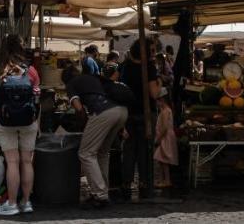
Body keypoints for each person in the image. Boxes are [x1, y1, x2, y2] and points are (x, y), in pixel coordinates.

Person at [0, 34, 40, 216]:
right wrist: (37, 123)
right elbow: (37, 98)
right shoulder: (31, 71)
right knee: (26, 161)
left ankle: (12, 203)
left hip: (5, 121)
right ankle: (26, 202)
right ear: (21, 49)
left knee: (12, 162)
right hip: (28, 121)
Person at [64, 65, 128, 209]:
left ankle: (100, 194)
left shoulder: (71, 84)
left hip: (102, 112)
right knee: (102, 153)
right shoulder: (92, 77)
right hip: (121, 111)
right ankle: (103, 190)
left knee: (85, 153)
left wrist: (85, 124)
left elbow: (79, 108)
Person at [118, 40, 161, 199]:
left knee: (129, 150)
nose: (153, 53)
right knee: (144, 150)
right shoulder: (148, 68)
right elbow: (154, 93)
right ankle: (144, 183)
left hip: (128, 113)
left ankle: (126, 184)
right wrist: (159, 82)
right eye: (151, 50)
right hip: (145, 113)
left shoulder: (125, 66)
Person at [153, 88, 177, 190]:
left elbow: (164, 127)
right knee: (161, 159)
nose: (157, 104)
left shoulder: (165, 111)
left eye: (158, 101)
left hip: (165, 138)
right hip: (165, 137)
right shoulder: (166, 111)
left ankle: (166, 180)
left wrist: (158, 138)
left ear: (162, 100)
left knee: (163, 159)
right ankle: (163, 179)